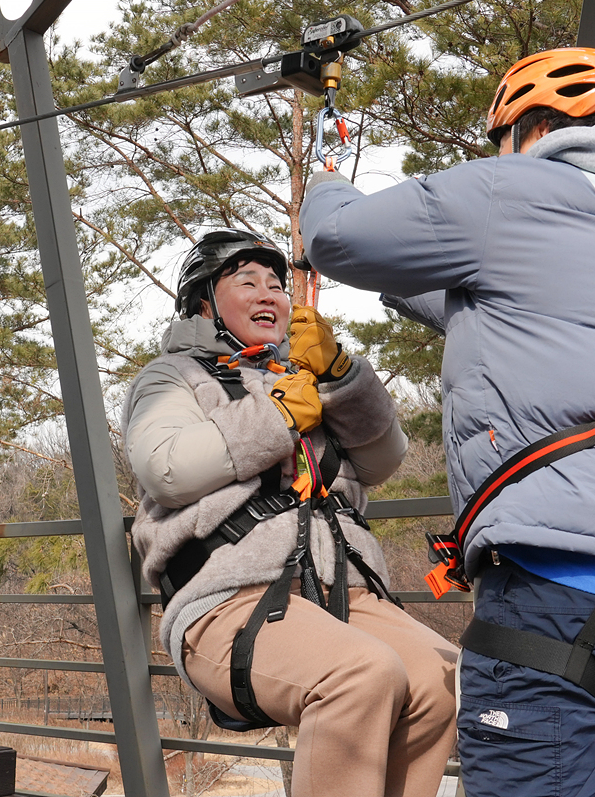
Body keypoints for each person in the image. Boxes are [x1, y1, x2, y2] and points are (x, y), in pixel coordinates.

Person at [299, 47, 595, 796]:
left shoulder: (516, 184)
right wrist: (406, 292)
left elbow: (337, 238)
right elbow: (527, 313)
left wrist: (324, 182)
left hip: (561, 592)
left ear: (528, 128)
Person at [123, 228, 458, 797]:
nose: (267, 293)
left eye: (276, 285)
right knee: (360, 675)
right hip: (230, 598)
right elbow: (166, 469)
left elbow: (384, 459)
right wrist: (275, 418)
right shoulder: (174, 376)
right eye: (245, 281)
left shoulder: (304, 380)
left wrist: (341, 376)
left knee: (441, 677)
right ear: (205, 302)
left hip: (342, 596)